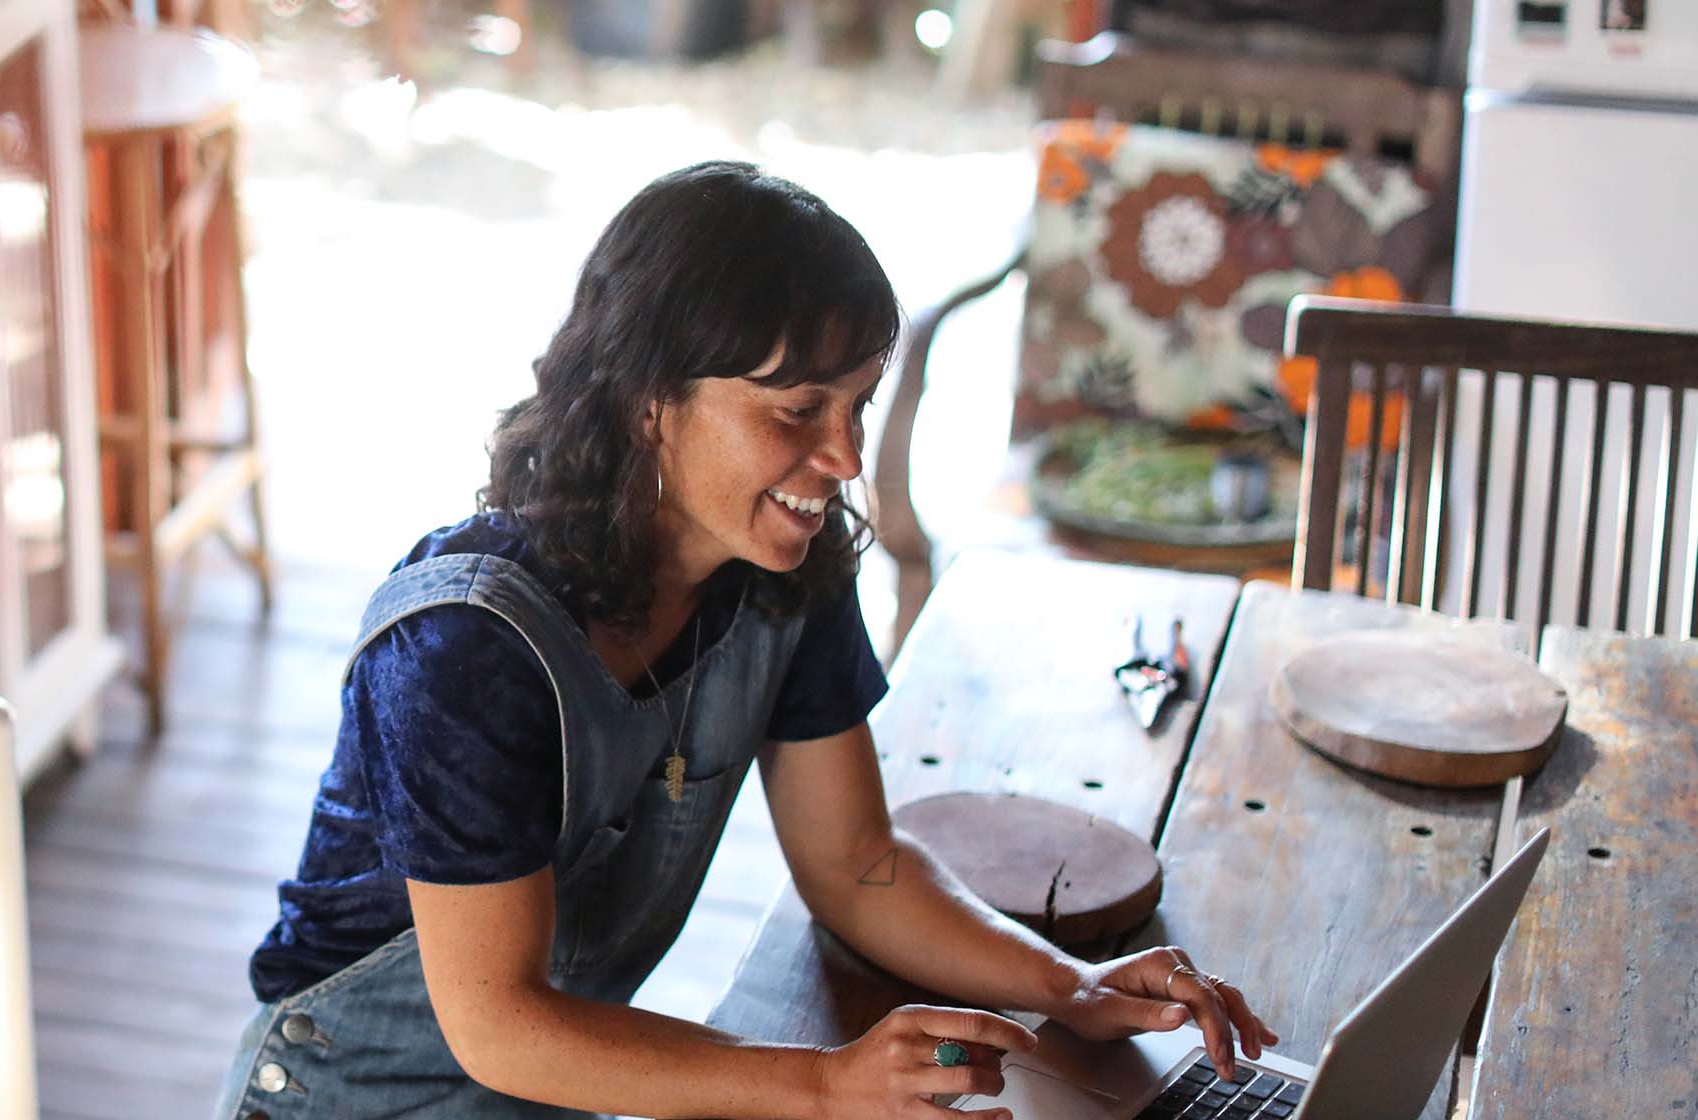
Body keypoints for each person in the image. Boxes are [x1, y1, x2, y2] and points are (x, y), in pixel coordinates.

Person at [216, 162, 1277, 1120]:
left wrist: (1072, 987)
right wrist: (824, 1081)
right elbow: (501, 1024)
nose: (847, 457)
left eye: (858, 405)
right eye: (797, 409)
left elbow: (857, 862)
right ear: (647, 402)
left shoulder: (782, 578)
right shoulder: (462, 648)